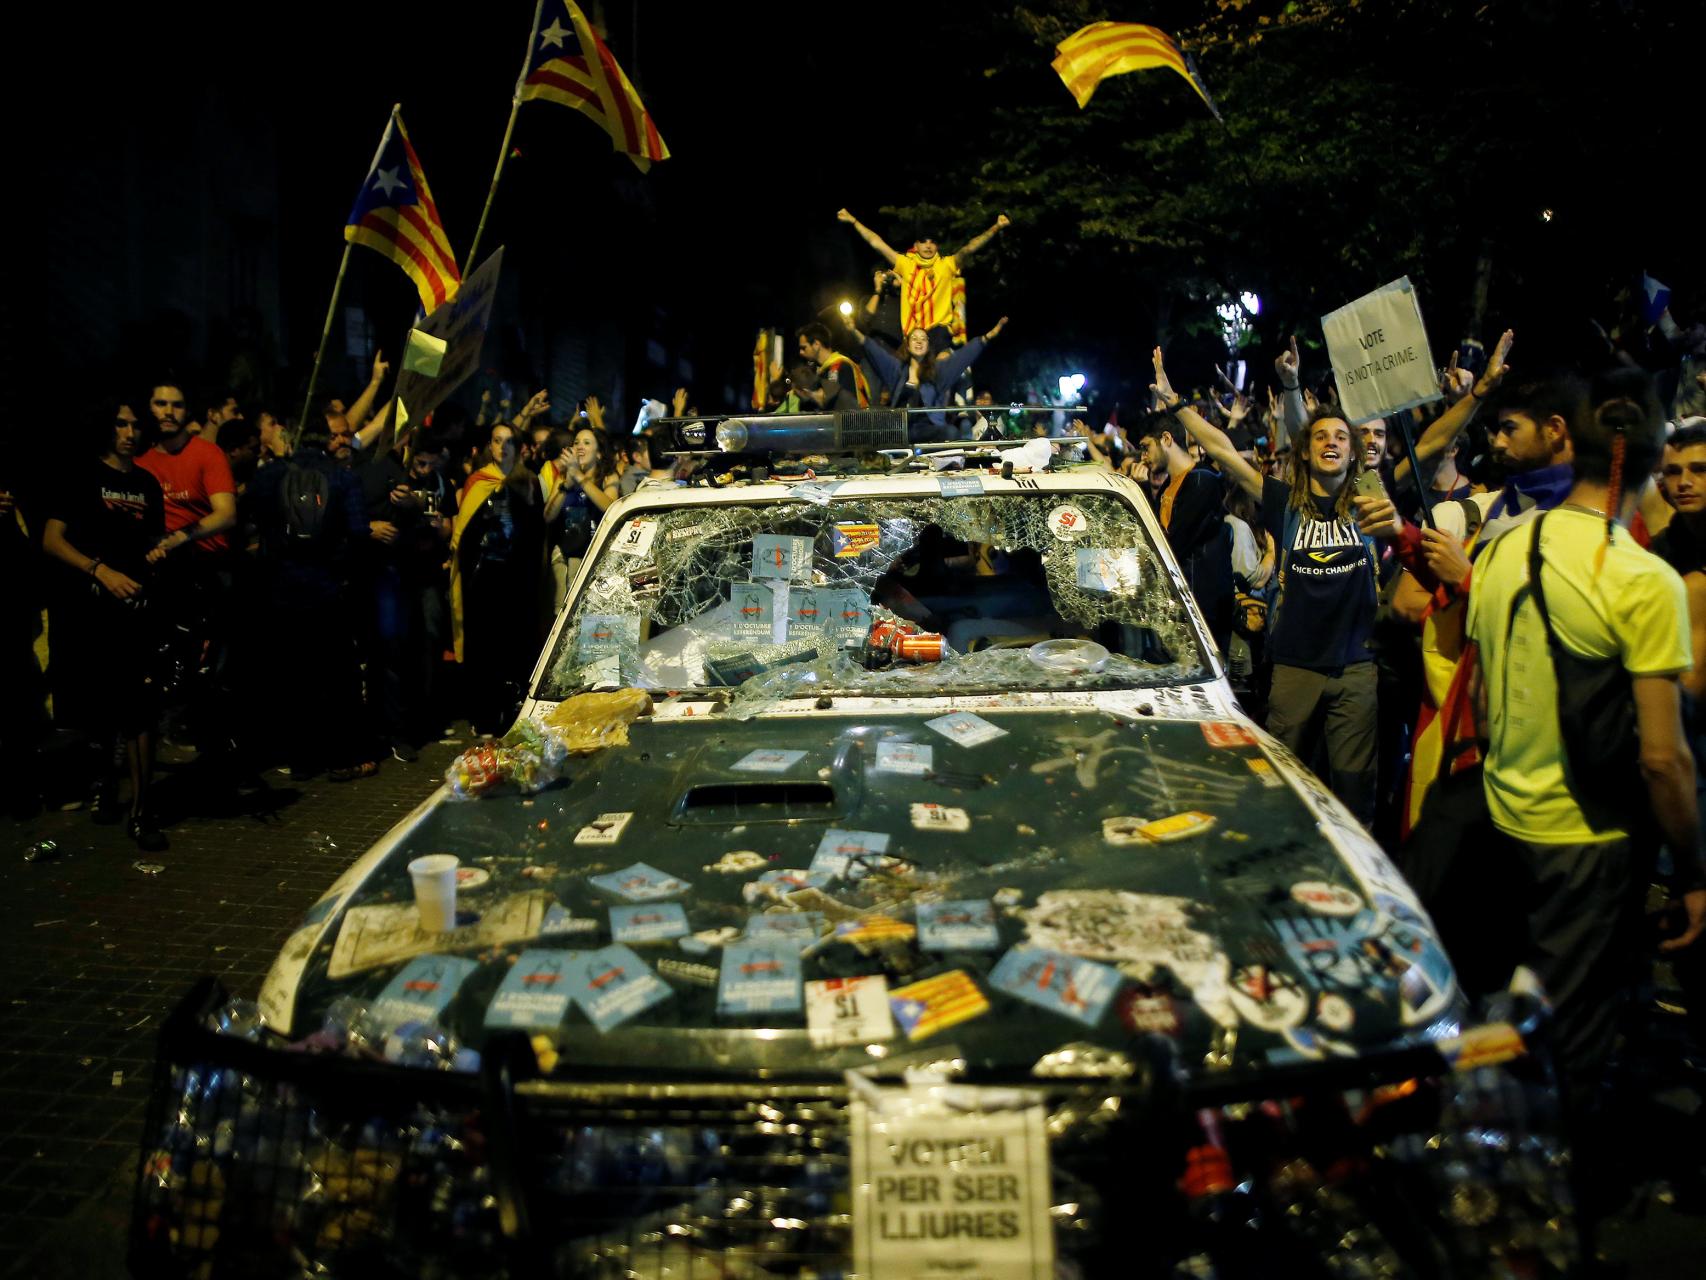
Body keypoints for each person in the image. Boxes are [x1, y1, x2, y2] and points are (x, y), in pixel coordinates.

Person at [1465, 369, 1706, 1135]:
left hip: (1503, 819)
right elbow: (1664, 759)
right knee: (1571, 1041)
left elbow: (1481, 696)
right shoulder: (1642, 578)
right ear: (1652, 462)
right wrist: (1693, 872)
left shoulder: (1501, 548)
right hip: (1588, 842)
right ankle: (1550, 1210)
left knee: (1509, 1011)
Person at [1153, 347, 1401, 827]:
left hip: (1355, 671)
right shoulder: (1284, 502)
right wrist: (1174, 403)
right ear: (1305, 451)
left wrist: (1478, 394)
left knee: (1353, 790)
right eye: (1321, 436)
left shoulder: (1367, 502)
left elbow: (1430, 450)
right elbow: (1224, 450)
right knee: (1286, 783)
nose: (1332, 442)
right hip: (1294, 670)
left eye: (1341, 437)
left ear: (1355, 453)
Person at [40, 400, 168, 849]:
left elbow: (152, 538)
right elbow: (52, 540)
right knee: (104, 709)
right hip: (93, 613)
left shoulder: (147, 483)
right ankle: (105, 786)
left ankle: (142, 810)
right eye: (121, 423)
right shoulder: (82, 476)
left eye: (135, 425)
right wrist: (98, 570)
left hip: (138, 610)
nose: (129, 432)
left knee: (142, 708)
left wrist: (159, 552)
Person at [244, 414, 376, 781]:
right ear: (327, 441)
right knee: (338, 674)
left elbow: (250, 514)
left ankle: (301, 758)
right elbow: (359, 534)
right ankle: (344, 755)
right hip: (328, 589)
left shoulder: (271, 475)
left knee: (291, 675)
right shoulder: (342, 477)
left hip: (282, 590)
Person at [358, 432, 454, 762]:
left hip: (417, 574)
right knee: (388, 649)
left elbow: (444, 529)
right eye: (420, 463)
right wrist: (370, 525)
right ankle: (388, 727)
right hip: (387, 573)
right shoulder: (375, 471)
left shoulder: (437, 483)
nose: (425, 469)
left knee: (417, 644)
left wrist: (421, 513)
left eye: (431, 463)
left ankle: (413, 721)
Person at [451, 422, 546, 734]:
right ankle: (485, 713)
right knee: (485, 647)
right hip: (485, 577)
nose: (502, 447)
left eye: (508, 441)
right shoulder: (478, 481)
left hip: (518, 578)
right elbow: (463, 534)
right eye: (496, 440)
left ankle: (512, 710)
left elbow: (536, 533)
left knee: (515, 645)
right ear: (489, 446)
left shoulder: (529, 482)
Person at [1132, 414, 1234, 653]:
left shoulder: (1202, 481)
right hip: (1179, 609)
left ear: (1166, 438)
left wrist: (1143, 491)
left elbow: (1170, 544)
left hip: (1203, 614)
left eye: (1146, 448)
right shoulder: (1170, 486)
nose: (1143, 458)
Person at [837, 209, 1010, 349]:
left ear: (937, 246)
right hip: (912, 336)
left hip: (938, 332)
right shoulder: (905, 264)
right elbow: (876, 243)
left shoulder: (947, 264)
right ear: (916, 245)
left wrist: (996, 227)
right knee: (905, 384)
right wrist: (854, 221)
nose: (928, 245)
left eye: (932, 242)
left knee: (943, 365)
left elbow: (969, 249)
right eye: (923, 241)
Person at [848, 317, 1008, 443]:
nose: (919, 341)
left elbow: (962, 357)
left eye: (923, 339)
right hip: (900, 430)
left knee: (950, 432)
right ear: (908, 345)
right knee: (870, 430)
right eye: (914, 338)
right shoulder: (896, 370)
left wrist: (986, 338)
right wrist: (853, 330)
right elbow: (874, 350)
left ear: (928, 345)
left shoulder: (938, 371)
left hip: (928, 429)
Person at [542, 425, 621, 618]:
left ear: (599, 454)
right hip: (565, 555)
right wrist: (566, 486)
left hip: (595, 557)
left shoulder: (608, 477)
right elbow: (548, 516)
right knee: (562, 613)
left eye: (586, 443)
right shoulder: (563, 476)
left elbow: (609, 507)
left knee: (590, 613)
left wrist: (581, 478)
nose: (579, 447)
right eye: (576, 442)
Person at [794, 323, 869, 411]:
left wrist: (811, 395)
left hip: (853, 422)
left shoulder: (839, 366)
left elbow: (833, 401)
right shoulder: (823, 369)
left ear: (816, 344)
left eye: (804, 348)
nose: (801, 352)